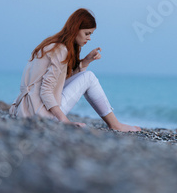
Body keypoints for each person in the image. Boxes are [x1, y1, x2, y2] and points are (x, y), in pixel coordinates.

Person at [9, 8, 141, 132]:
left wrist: (86, 61)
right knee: (89, 77)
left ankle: (115, 124)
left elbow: (59, 83)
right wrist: (65, 121)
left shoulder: (52, 45)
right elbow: (46, 90)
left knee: (87, 77)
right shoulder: (61, 50)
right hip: (39, 114)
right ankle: (115, 125)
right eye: (87, 33)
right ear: (75, 29)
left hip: (24, 109)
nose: (89, 38)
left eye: (91, 34)